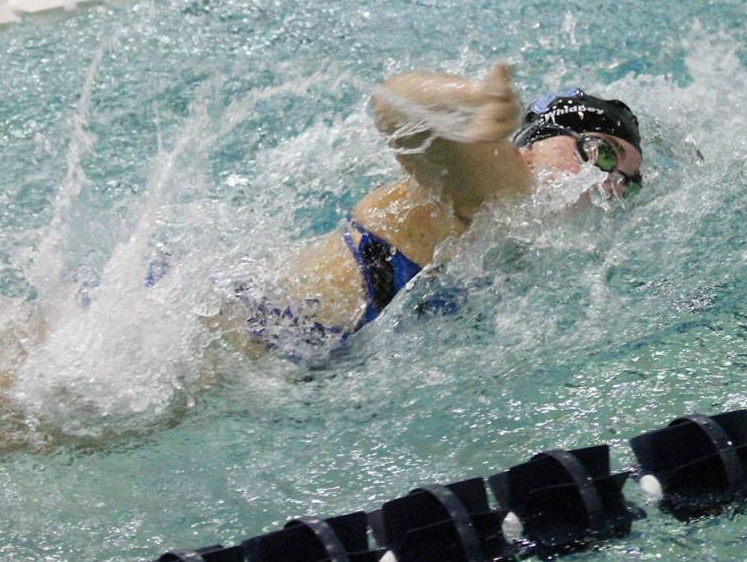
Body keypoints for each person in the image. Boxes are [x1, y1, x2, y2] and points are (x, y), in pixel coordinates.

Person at [207, 63, 643, 357]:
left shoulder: (532, 233)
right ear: (533, 146)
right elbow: (392, 102)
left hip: (282, 336)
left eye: (628, 182)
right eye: (601, 155)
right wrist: (470, 99)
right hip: (244, 329)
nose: (608, 184)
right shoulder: (509, 186)